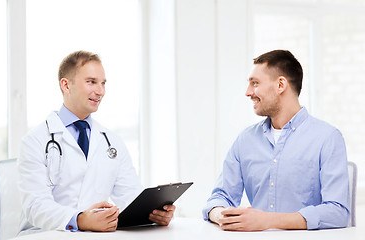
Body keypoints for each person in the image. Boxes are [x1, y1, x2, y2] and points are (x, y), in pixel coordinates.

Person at [18, 50, 175, 235]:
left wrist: (152, 213)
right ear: (66, 85)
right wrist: (80, 219)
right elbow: (35, 206)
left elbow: (130, 195)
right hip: (46, 234)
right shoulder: (35, 140)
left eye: (103, 83)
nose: (100, 91)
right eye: (91, 82)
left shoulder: (111, 141)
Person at [202, 50, 350, 231]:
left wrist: (268, 221)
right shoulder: (245, 140)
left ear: (281, 85)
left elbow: (338, 212)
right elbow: (220, 197)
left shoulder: (327, 138)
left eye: (255, 83)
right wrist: (221, 215)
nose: (248, 92)